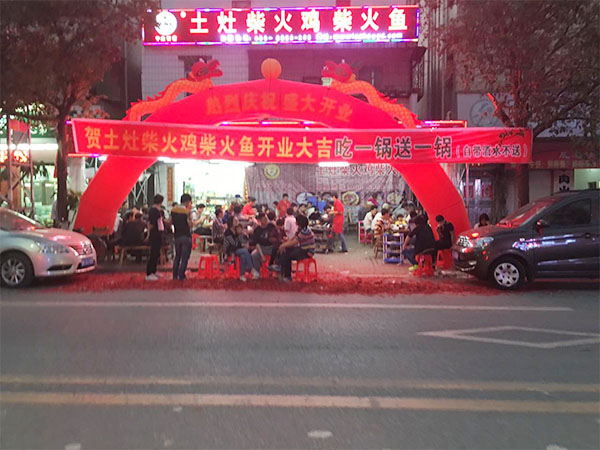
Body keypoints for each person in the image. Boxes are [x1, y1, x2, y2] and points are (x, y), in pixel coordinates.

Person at [275, 214, 315, 282]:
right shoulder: (300, 229)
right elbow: (293, 238)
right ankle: (281, 269)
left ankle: (287, 275)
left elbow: (295, 242)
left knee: (288, 255)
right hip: (302, 249)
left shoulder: (305, 231)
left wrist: (283, 245)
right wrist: (284, 244)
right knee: (285, 251)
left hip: (307, 252)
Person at [223, 216, 259, 282]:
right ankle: (252, 269)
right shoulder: (228, 232)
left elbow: (240, 240)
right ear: (231, 222)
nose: (237, 222)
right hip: (230, 250)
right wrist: (242, 245)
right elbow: (233, 243)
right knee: (245, 251)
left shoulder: (236, 230)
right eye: (235, 221)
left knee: (243, 255)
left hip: (236, 249)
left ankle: (242, 275)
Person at [171, 193, 193, 281]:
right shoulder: (187, 212)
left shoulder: (173, 210)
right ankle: (181, 275)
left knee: (177, 256)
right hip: (186, 236)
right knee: (184, 258)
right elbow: (190, 224)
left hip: (177, 236)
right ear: (188, 201)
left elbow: (170, 222)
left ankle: (174, 275)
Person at [146, 194, 165, 281]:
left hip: (158, 233)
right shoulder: (153, 210)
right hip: (155, 234)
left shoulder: (157, 210)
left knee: (156, 253)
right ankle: (149, 273)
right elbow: (152, 223)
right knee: (153, 253)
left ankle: (154, 270)